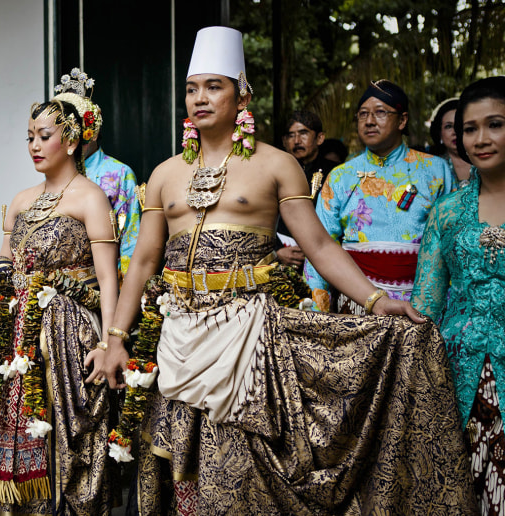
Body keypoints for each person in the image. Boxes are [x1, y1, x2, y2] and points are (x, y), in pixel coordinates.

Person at [96, 26, 474, 515]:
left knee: (242, 466)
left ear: (242, 96)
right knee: (180, 466)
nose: (200, 98)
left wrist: (377, 301)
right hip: (178, 333)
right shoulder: (166, 173)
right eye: (192, 89)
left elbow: (318, 243)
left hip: (248, 331)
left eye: (215, 86)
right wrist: (116, 336)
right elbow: (145, 259)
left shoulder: (275, 164)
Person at [0, 99, 120, 514]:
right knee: (19, 422)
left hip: (68, 335)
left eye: (44, 136)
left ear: (71, 140)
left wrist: (109, 342)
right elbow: (3, 271)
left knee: (66, 437)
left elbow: (107, 278)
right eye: (30, 137)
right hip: (20, 336)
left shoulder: (90, 198)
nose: (34, 145)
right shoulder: (23, 200)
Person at [412, 76, 505, 514]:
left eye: (495, 124)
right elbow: (425, 306)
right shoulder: (446, 212)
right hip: (459, 376)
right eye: (470, 129)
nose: (481, 139)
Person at [305, 79, 455, 313]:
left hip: (421, 304)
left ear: (402, 120)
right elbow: (319, 245)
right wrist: (317, 309)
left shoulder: (436, 170)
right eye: (362, 114)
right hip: (355, 303)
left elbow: (452, 242)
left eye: (380, 112)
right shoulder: (340, 176)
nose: (369, 121)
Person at [53, 68, 141, 276]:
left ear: (93, 130)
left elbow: (131, 237)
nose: (72, 138)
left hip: (105, 279)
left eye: (77, 129)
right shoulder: (54, 171)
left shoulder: (119, 173)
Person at [277, 110, 338, 268]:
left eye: (303, 133)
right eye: (291, 135)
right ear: (284, 141)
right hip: (282, 258)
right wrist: (275, 251)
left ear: (319, 138)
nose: (297, 141)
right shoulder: (274, 172)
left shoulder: (336, 173)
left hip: (326, 259)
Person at [429, 97, 474, 188]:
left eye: (460, 125)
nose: (455, 132)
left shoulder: (486, 160)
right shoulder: (431, 167)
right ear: (440, 133)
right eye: (448, 126)